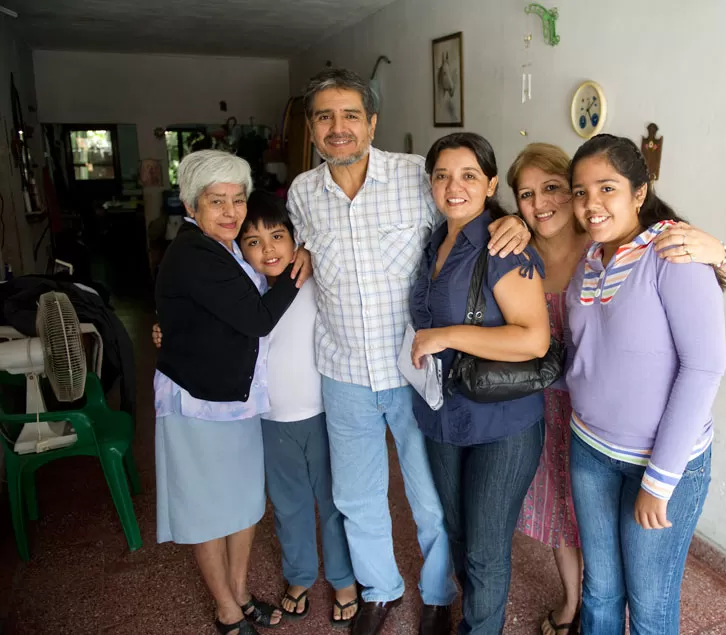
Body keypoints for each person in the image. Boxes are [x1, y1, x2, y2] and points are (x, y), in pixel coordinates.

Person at [286, 68, 531, 635]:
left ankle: (437, 595)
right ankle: (379, 590)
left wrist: (515, 221)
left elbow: (467, 214)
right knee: (356, 495)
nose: (339, 128)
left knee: (429, 496)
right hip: (343, 369)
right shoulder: (302, 194)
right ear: (312, 128)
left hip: (415, 369)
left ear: (372, 123)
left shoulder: (414, 177)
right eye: (325, 117)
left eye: (351, 115)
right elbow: (298, 253)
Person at [506, 143, 726, 635]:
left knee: (649, 607)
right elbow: (583, 361)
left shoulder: (673, 254)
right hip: (591, 452)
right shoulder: (590, 262)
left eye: (607, 188)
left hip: (656, 462)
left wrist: (660, 481)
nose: (591, 204)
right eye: (581, 192)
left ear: (639, 193)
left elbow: (704, 367)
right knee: (600, 592)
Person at [154, 191, 360, 626]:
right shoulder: (241, 292)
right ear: (239, 250)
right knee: (289, 506)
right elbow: (198, 321)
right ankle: (300, 577)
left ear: (295, 239)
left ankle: (343, 580)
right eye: (253, 242)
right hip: (268, 421)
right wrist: (167, 330)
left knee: (333, 501)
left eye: (278, 236)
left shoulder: (315, 284)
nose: (268, 249)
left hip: (323, 414)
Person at [409, 133, 549, 635]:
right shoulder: (433, 242)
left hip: (502, 422)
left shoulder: (503, 247)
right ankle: (476, 618)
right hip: (443, 416)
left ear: (490, 184)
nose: (454, 187)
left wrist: (444, 335)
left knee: (486, 551)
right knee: (459, 535)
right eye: (442, 175)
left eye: (469, 175)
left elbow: (534, 339)